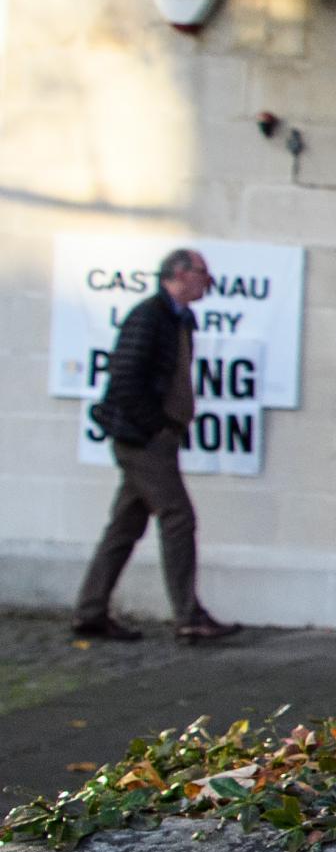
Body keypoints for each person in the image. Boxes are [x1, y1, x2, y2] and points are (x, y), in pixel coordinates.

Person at [72, 247, 241, 643]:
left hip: (149, 439)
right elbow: (125, 378)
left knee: (125, 526)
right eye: (203, 273)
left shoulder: (177, 320)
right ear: (179, 274)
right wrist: (157, 428)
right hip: (144, 441)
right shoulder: (150, 316)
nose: (208, 282)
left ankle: (90, 611)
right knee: (178, 518)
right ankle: (189, 617)